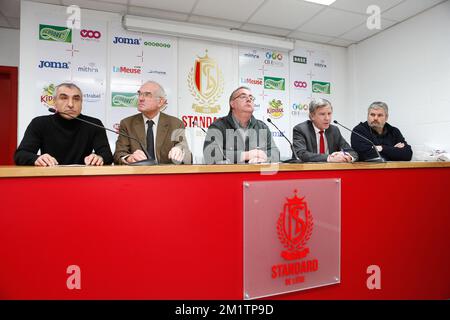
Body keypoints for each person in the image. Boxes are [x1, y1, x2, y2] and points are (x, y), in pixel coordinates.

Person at [14, 82, 113, 166]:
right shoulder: (39, 123)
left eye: (76, 99)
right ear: (54, 102)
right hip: (50, 178)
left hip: (84, 179)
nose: (70, 104)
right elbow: (21, 155)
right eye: (64, 98)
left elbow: (107, 156)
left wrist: (99, 157)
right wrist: (36, 158)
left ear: (81, 102)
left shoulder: (94, 124)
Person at [114, 81, 191, 164]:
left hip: (166, 175)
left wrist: (180, 151)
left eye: (147, 95)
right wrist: (129, 158)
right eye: (139, 94)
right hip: (138, 174)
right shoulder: (127, 124)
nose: (140, 98)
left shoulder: (175, 124)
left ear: (160, 102)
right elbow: (118, 155)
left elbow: (188, 157)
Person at [203, 86, 279, 164]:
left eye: (251, 98)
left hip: (256, 175)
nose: (249, 99)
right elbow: (210, 154)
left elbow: (276, 153)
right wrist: (246, 155)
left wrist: (264, 157)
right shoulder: (218, 126)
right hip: (230, 175)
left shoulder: (262, 127)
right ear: (232, 103)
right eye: (243, 96)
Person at [293, 98, 358, 163]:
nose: (327, 118)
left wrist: (347, 157)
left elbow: (351, 152)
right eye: (322, 114)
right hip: (308, 171)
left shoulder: (334, 130)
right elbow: (301, 154)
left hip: (330, 171)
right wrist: (329, 158)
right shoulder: (301, 130)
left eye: (329, 113)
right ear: (312, 116)